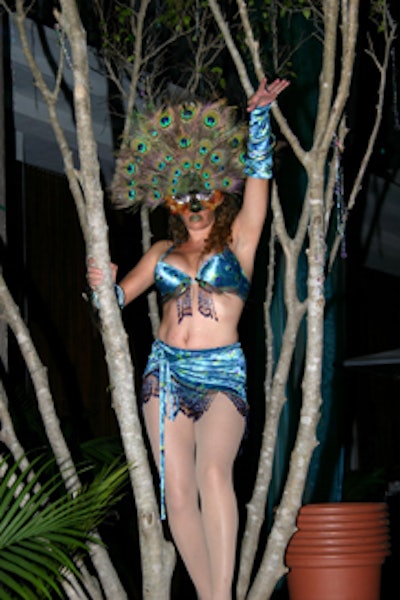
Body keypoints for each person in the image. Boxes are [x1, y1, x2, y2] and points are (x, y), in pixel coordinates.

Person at [87, 76, 289, 600]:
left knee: (213, 473)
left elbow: (261, 181)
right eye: (183, 196)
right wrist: (99, 286)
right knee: (176, 496)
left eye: (203, 192)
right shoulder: (160, 254)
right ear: (171, 201)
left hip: (222, 373)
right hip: (166, 373)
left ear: (219, 192)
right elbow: (113, 303)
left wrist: (260, 119)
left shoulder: (240, 241)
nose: (194, 203)